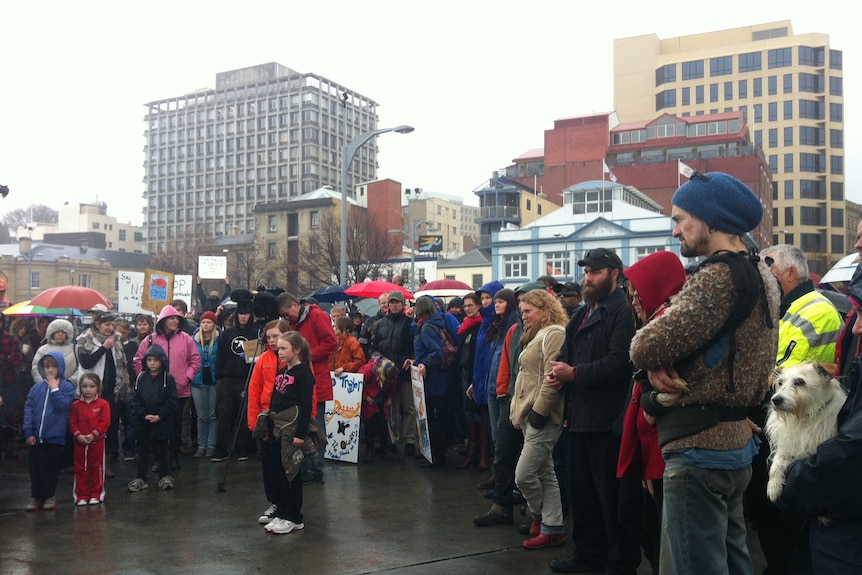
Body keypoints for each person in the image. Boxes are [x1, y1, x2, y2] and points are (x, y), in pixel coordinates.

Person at [629, 172, 780, 575]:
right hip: (735, 444)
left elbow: (642, 346)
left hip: (699, 448)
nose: (675, 229)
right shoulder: (761, 272)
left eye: (680, 219)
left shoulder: (716, 277)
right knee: (734, 562)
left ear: (711, 220)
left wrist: (653, 361)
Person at [743, 243, 843, 573]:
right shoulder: (784, 308)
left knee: (785, 513)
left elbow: (784, 371)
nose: (762, 272)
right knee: (768, 508)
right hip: (783, 421)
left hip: (806, 426)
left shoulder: (815, 309)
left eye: (768, 264)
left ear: (790, 272)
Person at [548, 248, 641, 575]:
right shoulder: (581, 314)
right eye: (587, 271)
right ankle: (588, 554)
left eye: (595, 271)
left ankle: (620, 559)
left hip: (607, 420)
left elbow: (620, 363)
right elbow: (566, 353)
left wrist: (574, 374)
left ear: (615, 273)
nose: (588, 277)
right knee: (583, 496)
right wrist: (558, 373)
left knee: (611, 498)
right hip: (578, 418)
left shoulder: (623, 312)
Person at [776, 264, 862, 573]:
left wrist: (796, 477)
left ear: (788, 271)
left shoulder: (815, 309)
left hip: (844, 523)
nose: (854, 327)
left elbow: (852, 448)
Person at [616, 251, 687, 572]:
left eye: (636, 292)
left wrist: (649, 409)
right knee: (640, 516)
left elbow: (675, 386)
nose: (633, 300)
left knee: (658, 524)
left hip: (661, 442)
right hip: (649, 439)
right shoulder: (657, 320)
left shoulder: (669, 324)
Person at [508, 289, 568, 549]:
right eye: (522, 312)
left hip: (541, 414)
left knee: (523, 475)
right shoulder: (538, 334)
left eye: (528, 311)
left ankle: (542, 516)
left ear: (544, 309)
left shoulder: (554, 333)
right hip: (529, 412)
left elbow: (551, 378)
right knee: (545, 471)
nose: (524, 316)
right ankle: (551, 526)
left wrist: (540, 412)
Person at [257, 331, 319, 534]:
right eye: (279, 348)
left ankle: (294, 516)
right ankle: (283, 512)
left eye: (284, 348)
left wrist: (300, 434)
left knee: (291, 472)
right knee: (278, 471)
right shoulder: (282, 372)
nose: (279, 351)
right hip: (277, 428)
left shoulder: (304, 374)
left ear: (297, 350)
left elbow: (306, 406)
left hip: (292, 429)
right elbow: (274, 401)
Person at [277, 292, 338, 485]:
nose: (287, 318)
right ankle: (306, 467)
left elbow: (331, 343)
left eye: (287, 314)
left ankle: (316, 468)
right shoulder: (295, 323)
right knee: (302, 425)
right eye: (284, 316)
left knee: (315, 426)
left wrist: (305, 356)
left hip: (317, 379)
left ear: (295, 305)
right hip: (300, 380)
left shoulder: (318, 316)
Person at [134, 304, 201, 471]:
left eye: (177, 318)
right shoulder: (150, 339)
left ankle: (173, 456)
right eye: (171, 318)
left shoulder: (186, 338)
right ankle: (159, 459)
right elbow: (138, 360)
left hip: (180, 390)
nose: (175, 321)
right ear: (163, 320)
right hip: (155, 393)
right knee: (159, 427)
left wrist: (187, 378)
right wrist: (146, 379)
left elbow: (195, 360)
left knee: (176, 425)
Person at [76, 311, 130, 477]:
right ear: (98, 324)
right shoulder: (85, 338)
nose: (110, 328)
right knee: (92, 427)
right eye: (107, 324)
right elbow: (85, 363)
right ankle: (93, 461)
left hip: (112, 390)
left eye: (112, 324)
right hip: (92, 389)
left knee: (110, 425)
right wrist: (103, 348)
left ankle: (108, 457)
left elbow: (121, 364)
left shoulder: (117, 339)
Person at [246, 319, 289, 526]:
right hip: (266, 418)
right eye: (269, 337)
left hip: (288, 420)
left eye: (276, 336)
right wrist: (254, 423)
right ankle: (274, 502)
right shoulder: (263, 360)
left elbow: (310, 393)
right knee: (269, 465)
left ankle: (287, 505)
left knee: (286, 465)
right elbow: (253, 392)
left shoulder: (294, 359)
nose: (272, 340)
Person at [23, 351, 76, 510]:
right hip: (35, 437)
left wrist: (54, 389)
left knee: (50, 468)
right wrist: (28, 432)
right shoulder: (36, 388)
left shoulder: (67, 387)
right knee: (36, 469)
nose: (50, 370)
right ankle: (37, 497)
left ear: (60, 367)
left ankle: (49, 496)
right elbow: (28, 410)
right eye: (47, 366)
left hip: (53, 437)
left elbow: (62, 406)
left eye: (54, 366)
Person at [369, 291, 417, 458]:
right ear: (387, 305)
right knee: (391, 408)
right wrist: (379, 361)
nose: (395, 305)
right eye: (392, 303)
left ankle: (410, 440)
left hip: (404, 372)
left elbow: (415, 343)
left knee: (409, 407)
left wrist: (412, 359)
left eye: (397, 303)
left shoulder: (409, 323)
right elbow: (373, 347)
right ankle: (393, 439)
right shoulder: (380, 324)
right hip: (387, 373)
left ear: (402, 304)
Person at [211, 297, 258, 462]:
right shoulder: (227, 334)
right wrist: (220, 377)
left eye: (246, 314)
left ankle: (242, 448)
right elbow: (220, 357)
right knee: (225, 415)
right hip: (228, 380)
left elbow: (257, 359)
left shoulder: (255, 333)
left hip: (247, 379)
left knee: (244, 416)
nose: (243, 317)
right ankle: (222, 449)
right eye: (241, 314)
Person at [128, 344, 178, 492]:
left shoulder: (168, 379)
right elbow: (134, 399)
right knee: (142, 450)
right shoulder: (140, 378)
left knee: (162, 449)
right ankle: (141, 478)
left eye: (155, 360)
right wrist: (144, 414)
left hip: (162, 422)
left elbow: (172, 400)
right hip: (143, 422)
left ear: (162, 361)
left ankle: (165, 476)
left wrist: (160, 415)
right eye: (149, 360)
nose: (152, 363)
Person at [409, 296, 452, 467]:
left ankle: (437, 455)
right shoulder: (434, 323)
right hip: (437, 378)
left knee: (432, 418)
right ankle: (433, 452)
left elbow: (436, 351)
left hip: (433, 379)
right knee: (434, 417)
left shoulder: (426, 327)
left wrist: (424, 362)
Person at [470, 280, 505, 477]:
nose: (484, 302)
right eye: (482, 298)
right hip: (483, 382)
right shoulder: (485, 323)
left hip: (495, 386)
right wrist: (475, 382)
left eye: (488, 298)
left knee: (498, 434)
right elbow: (480, 358)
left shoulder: (500, 323)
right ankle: (496, 475)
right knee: (491, 431)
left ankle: (500, 477)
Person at [68, 372, 110, 506]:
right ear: (80, 387)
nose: (88, 389)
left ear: (98, 387)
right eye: (85, 386)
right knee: (80, 469)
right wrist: (78, 435)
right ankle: (81, 495)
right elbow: (72, 422)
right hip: (79, 443)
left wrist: (93, 435)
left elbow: (105, 422)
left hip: (97, 442)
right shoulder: (75, 406)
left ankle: (96, 494)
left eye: (92, 386)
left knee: (96, 468)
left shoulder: (103, 404)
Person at [456, 292, 484, 469]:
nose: (467, 309)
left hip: (476, 374)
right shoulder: (465, 327)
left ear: (479, 306)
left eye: (470, 305)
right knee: (469, 413)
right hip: (464, 372)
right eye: (465, 306)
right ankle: (472, 452)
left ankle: (483, 454)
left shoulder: (481, 326)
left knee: (479, 413)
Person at [191, 311, 220, 458]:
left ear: (214, 324)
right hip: (198, 382)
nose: (206, 325)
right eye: (203, 322)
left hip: (214, 381)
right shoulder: (193, 340)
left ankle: (211, 445)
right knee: (201, 416)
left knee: (213, 415)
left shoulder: (219, 340)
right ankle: (201, 445)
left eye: (209, 322)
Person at [114, 319, 139, 461]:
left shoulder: (133, 345)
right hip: (116, 387)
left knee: (130, 421)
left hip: (130, 386)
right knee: (114, 421)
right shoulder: (111, 346)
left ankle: (129, 448)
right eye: (118, 332)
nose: (121, 335)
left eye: (123, 332)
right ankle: (113, 451)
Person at [358, 293, 389, 358]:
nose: (386, 305)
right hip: (374, 359)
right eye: (383, 303)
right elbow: (363, 342)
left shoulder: (398, 320)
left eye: (388, 302)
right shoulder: (370, 321)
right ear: (379, 304)